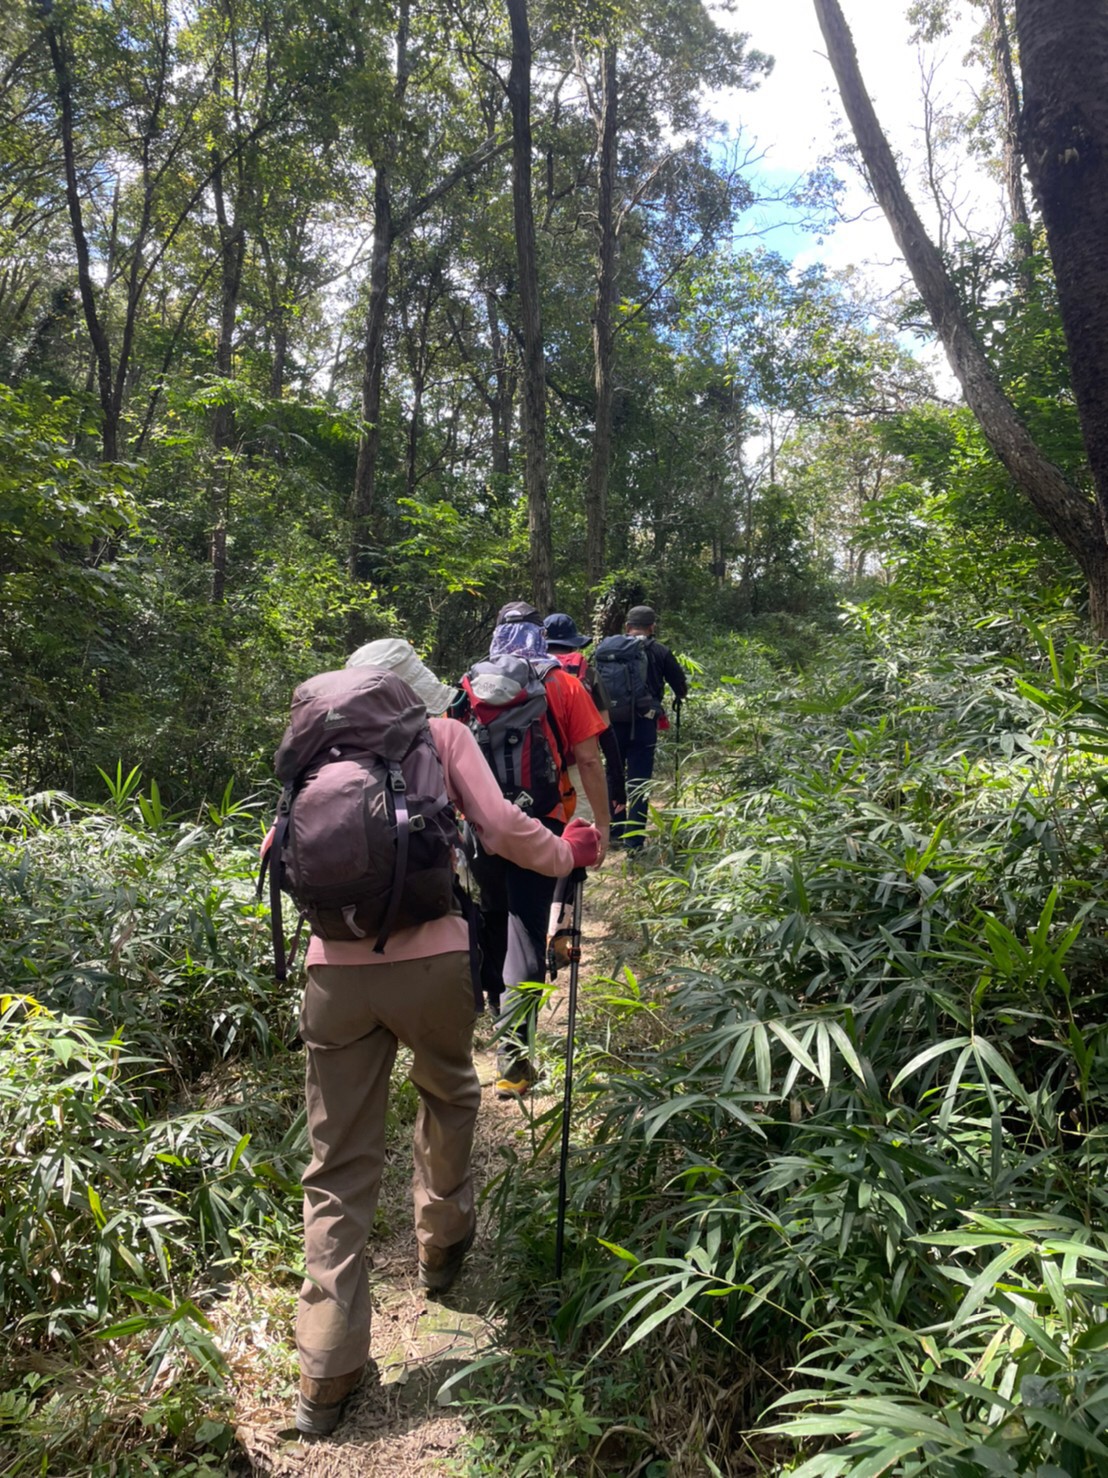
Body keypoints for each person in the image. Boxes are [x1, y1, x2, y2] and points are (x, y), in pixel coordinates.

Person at [276, 638, 602, 1438]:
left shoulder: (313, 751)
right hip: (430, 960)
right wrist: (566, 852)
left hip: (332, 973)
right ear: (412, 691)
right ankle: (441, 1243)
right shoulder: (443, 734)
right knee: (449, 1094)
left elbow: (277, 852)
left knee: (336, 1165)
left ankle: (326, 1369)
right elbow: (502, 829)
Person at [459, 601, 610, 1098]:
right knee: (526, 931)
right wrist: (602, 826)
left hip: (481, 826)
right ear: (538, 636)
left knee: (494, 920)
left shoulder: (467, 686)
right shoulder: (562, 683)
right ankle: (514, 1063)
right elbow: (589, 760)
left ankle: (496, 1025)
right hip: (541, 823)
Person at [607, 604, 688, 851]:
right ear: (652, 627)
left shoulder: (609, 649)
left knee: (613, 774)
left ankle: (615, 830)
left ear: (627, 626)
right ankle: (634, 841)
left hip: (612, 723)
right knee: (640, 780)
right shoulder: (660, 651)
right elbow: (680, 686)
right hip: (644, 722)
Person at [543, 611, 627, 822]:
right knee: (577, 832)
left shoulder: (525, 672)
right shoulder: (588, 675)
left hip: (536, 768)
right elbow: (606, 731)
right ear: (573, 645)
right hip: (576, 767)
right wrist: (618, 785)